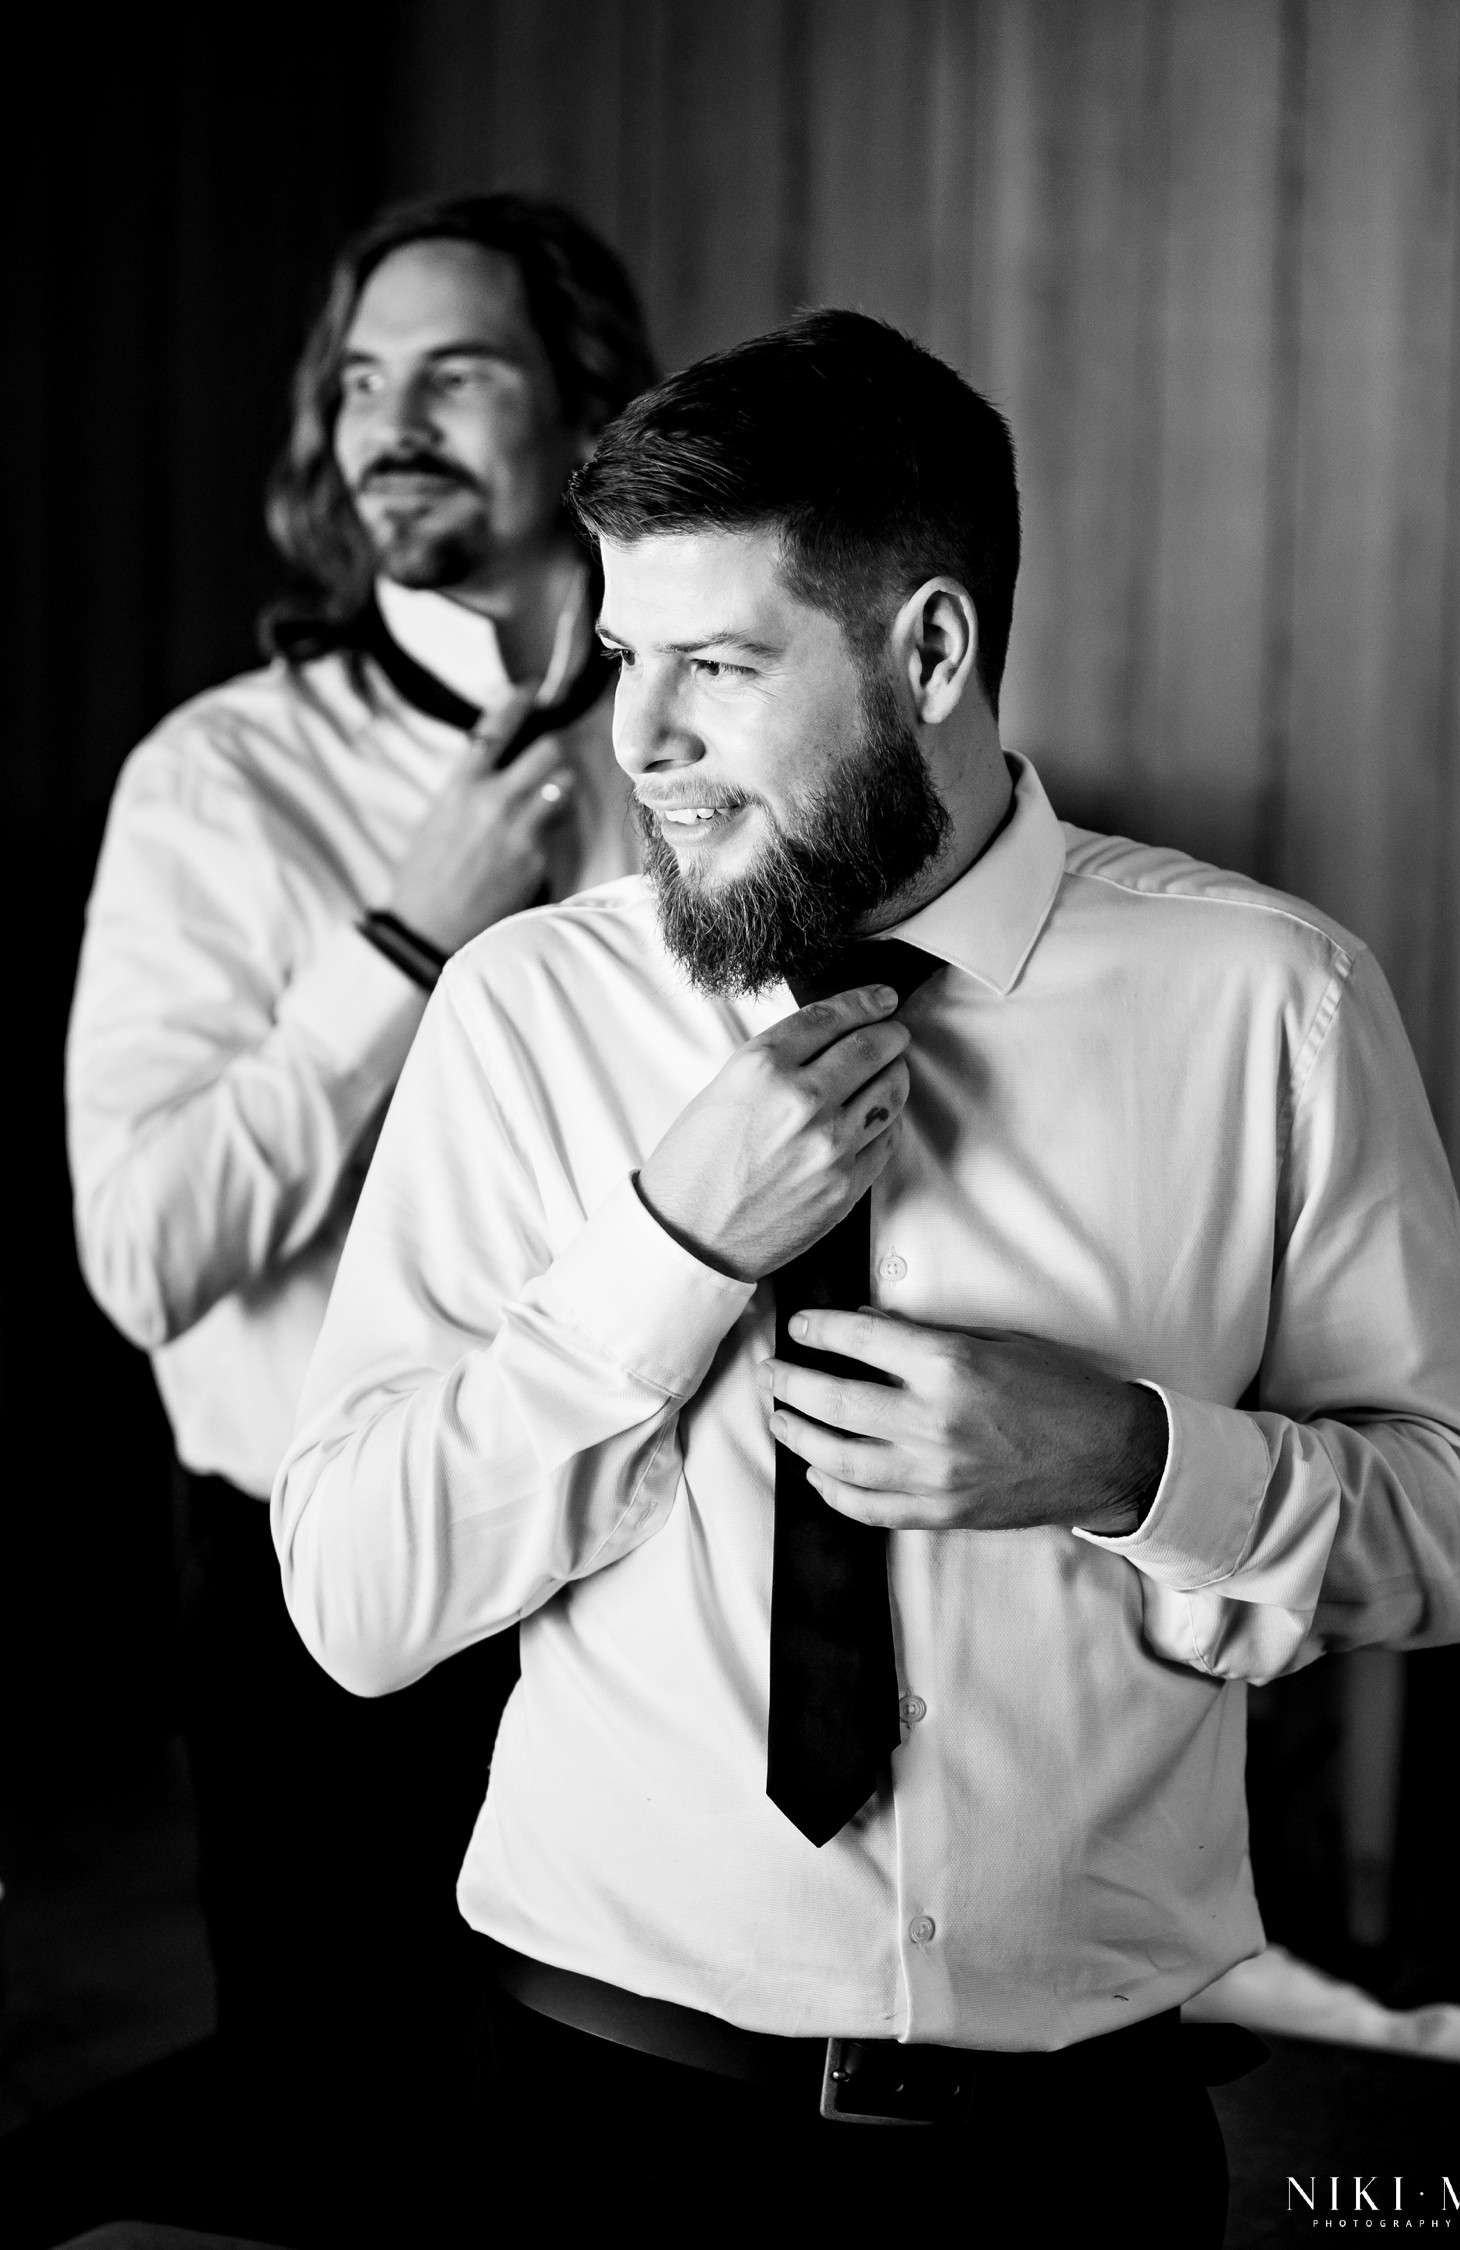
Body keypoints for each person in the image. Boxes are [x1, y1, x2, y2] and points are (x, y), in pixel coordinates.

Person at [271, 310, 1460, 2243]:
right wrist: (660, 1260)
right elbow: (352, 1600)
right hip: (603, 2116)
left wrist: (1131, 1464)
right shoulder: (526, 1010)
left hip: (1079, 2153)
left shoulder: (1274, 1002)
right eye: (622, 659)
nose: (640, 740)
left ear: (930, 649)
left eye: (717, 666)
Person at [64, 191, 656, 2201]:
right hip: (328, 1622)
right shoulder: (211, 787)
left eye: (457, 373)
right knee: (353, 2156)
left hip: (653, 1589)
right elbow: (142, 1253)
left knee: (606, 2169)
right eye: (358, 383)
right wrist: (405, 944)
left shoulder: (699, 761)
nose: (388, 423)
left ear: (590, 411)